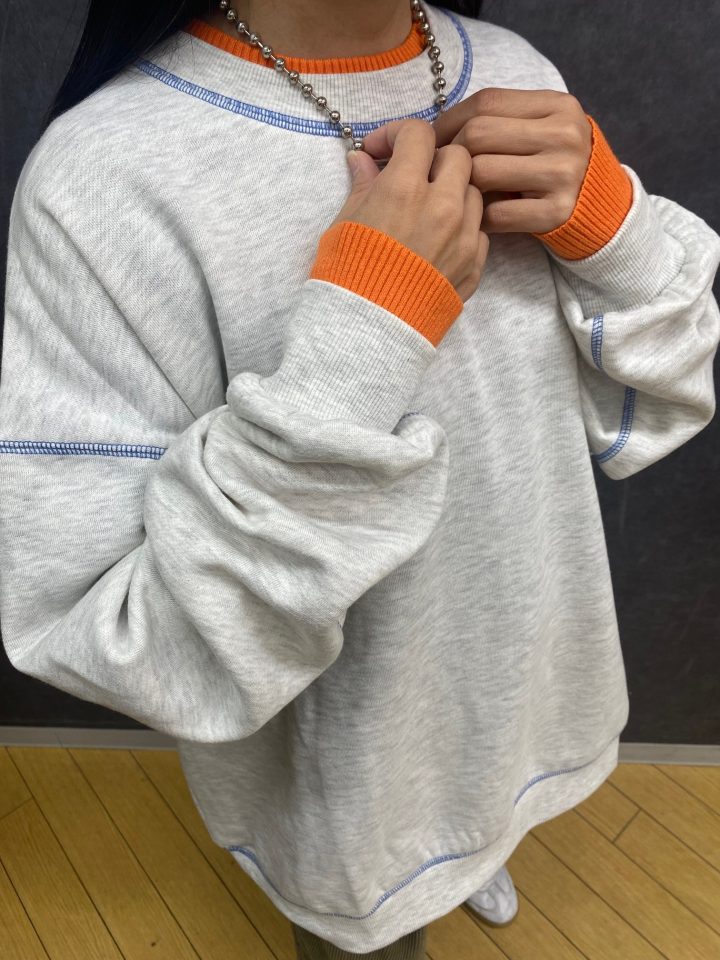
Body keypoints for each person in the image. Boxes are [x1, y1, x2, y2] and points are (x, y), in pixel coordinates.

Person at [1, 1, 719, 957]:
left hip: (532, 657)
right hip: (352, 755)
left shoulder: (513, 68)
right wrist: (361, 342)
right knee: (374, 913)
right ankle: (417, 869)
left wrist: (615, 232)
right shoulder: (104, 171)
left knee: (487, 803)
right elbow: (115, 630)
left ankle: (467, 843)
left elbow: (644, 394)